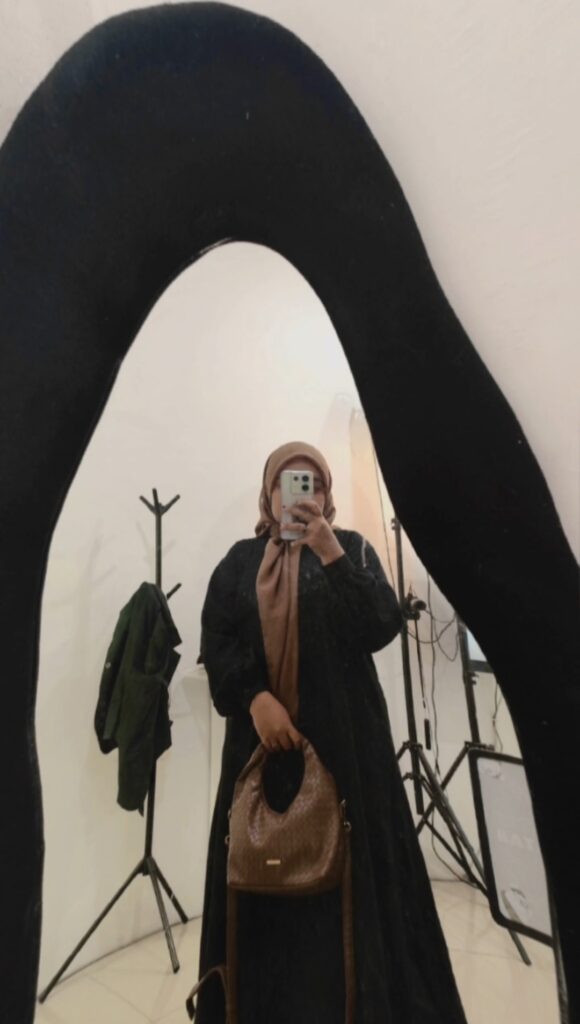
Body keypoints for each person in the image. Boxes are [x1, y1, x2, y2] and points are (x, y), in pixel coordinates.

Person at [193, 441, 467, 1023]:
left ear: (327, 494)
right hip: (260, 756)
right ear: (268, 494)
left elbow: (382, 623)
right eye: (289, 483)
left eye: (313, 483)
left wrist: (329, 549)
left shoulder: (353, 549)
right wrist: (254, 698)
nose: (302, 493)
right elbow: (217, 641)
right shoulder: (238, 562)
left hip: (349, 760)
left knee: (351, 893)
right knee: (262, 883)